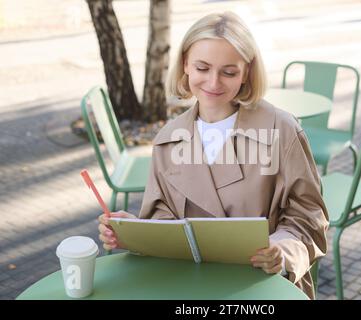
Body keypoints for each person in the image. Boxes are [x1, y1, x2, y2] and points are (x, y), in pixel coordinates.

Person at [98, 11, 329, 299]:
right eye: (202, 68)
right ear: (185, 65)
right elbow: (165, 223)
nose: (213, 82)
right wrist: (133, 232)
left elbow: (309, 219)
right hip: (191, 289)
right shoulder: (168, 139)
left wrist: (281, 252)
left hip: (263, 288)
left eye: (229, 71)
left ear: (246, 71)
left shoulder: (282, 130)